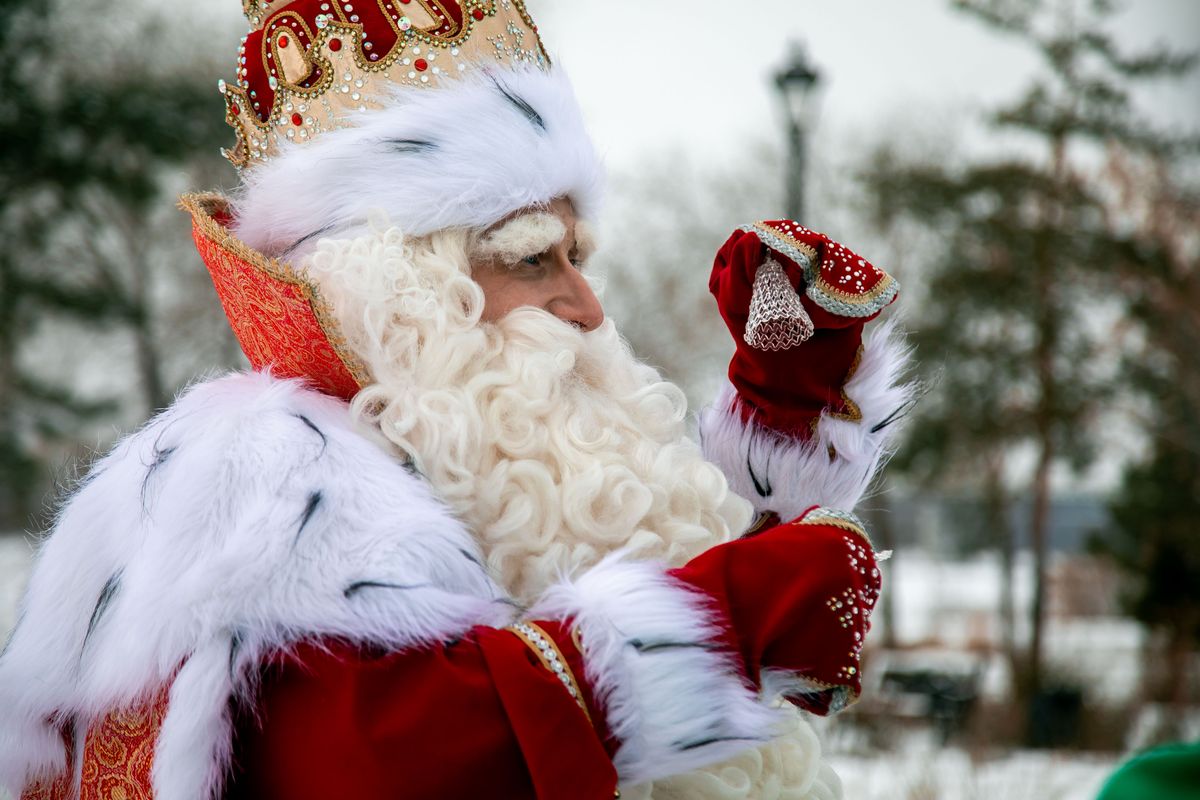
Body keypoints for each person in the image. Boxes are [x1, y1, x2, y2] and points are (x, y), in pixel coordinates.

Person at [0, 2, 912, 799]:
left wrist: (782, 424)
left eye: (577, 257)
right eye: (530, 259)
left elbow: (588, 599)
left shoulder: (445, 444)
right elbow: (372, 756)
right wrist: (723, 622)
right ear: (396, 287)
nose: (588, 308)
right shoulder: (264, 474)